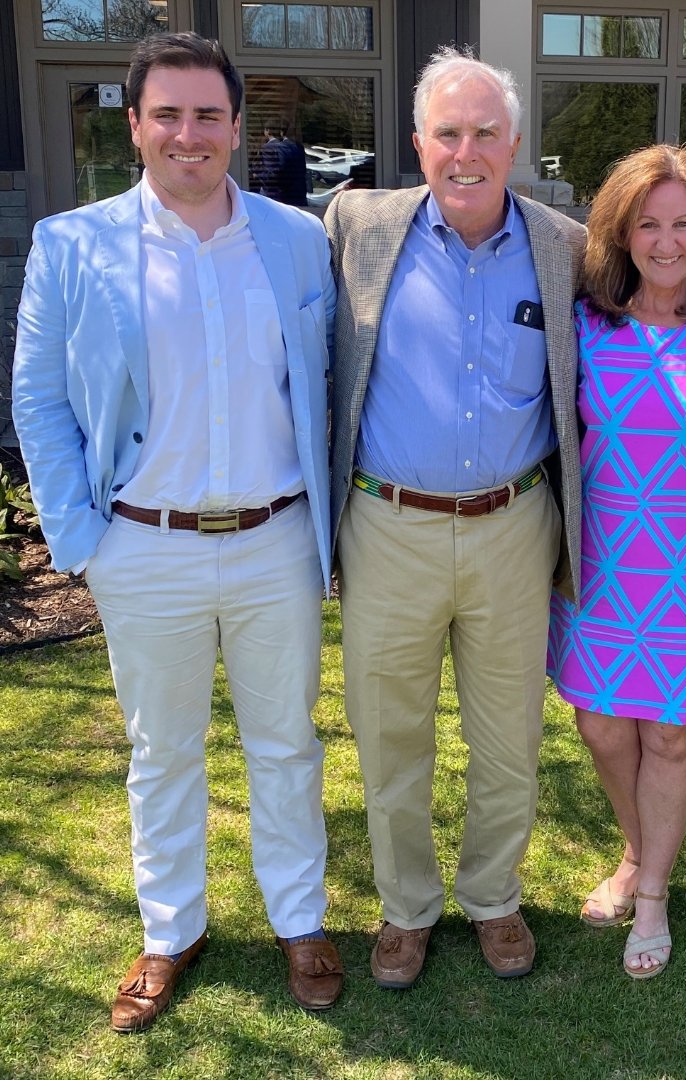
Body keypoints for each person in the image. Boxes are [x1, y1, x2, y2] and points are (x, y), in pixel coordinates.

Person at [10, 32, 340, 1031]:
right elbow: (38, 401)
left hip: (277, 539)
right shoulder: (71, 245)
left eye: (208, 115)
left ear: (238, 127)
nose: (188, 134)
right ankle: (170, 931)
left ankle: (300, 921)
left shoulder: (296, 240)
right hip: (140, 543)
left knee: (286, 746)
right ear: (135, 125)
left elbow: (327, 383)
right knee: (163, 751)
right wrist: (81, 541)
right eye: (168, 114)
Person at [323, 45, 585, 988]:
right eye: (447, 133)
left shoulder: (564, 245)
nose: (465, 152)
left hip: (516, 527)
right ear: (417, 141)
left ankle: (494, 897)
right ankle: (404, 908)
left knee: (508, 734)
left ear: (514, 142)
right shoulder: (357, 224)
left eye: (485, 133)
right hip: (387, 525)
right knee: (389, 733)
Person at [548, 144, 686, 978]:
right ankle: (641, 851)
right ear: (623, 231)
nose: (667, 242)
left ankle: (651, 894)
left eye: (683, 224)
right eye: (650, 224)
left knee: (671, 739)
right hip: (599, 567)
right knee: (601, 724)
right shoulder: (585, 325)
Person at [253, 123, 308, 207]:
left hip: (283, 195)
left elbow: (276, 172)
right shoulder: (299, 147)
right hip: (300, 193)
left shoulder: (279, 148)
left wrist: (257, 175)